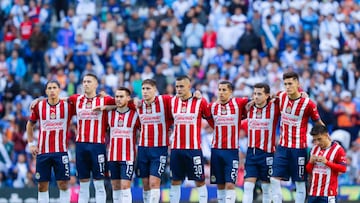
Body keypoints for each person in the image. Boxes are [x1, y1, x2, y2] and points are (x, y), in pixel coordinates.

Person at [270, 72, 325, 203]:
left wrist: (328, 140)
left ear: (298, 84)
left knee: (299, 183)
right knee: (273, 179)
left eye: (290, 84)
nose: (287, 87)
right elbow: (271, 97)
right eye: (285, 84)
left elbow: (319, 123)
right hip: (282, 147)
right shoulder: (281, 96)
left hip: (299, 149)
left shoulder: (308, 104)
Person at [68, 73, 114, 203]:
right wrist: (39, 101)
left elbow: (123, 103)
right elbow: (58, 100)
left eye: (89, 81)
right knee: (83, 184)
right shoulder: (77, 99)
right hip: (81, 146)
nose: (86, 84)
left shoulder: (103, 99)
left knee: (99, 184)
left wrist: (106, 106)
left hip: (97, 146)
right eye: (84, 82)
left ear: (96, 84)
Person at [26, 80, 74, 203]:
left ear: (59, 90)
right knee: (42, 186)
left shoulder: (68, 106)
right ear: (46, 91)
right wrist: (31, 144)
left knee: (63, 184)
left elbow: (81, 100)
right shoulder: (39, 106)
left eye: (54, 88)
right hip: (43, 152)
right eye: (49, 88)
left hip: (61, 152)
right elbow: (30, 124)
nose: (52, 90)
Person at [169, 75, 213, 203]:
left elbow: (210, 118)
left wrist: (200, 95)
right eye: (177, 86)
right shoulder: (172, 101)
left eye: (181, 86)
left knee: (199, 180)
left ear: (189, 86)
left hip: (193, 149)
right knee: (175, 180)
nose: (178, 89)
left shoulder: (200, 101)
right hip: (176, 149)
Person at [209, 81, 248, 203]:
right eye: (219, 89)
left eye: (224, 90)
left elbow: (255, 100)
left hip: (231, 152)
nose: (221, 92)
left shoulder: (238, 103)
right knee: (219, 185)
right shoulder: (212, 106)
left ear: (230, 92)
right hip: (216, 151)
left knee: (230, 184)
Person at [136, 79, 173, 203]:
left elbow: (180, 98)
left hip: (159, 149)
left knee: (154, 182)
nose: (145, 92)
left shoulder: (164, 100)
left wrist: (196, 95)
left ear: (155, 89)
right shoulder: (138, 104)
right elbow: (120, 102)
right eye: (143, 89)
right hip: (143, 149)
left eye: (148, 89)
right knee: (145, 183)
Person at [243, 83, 280, 203]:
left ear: (267, 95)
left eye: (259, 94)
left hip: (267, 153)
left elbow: (288, 96)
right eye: (254, 94)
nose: (256, 96)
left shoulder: (274, 107)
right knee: (248, 186)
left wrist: (275, 95)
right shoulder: (249, 107)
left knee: (266, 187)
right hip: (251, 153)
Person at [106, 87, 140, 202]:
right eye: (117, 97)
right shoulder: (109, 114)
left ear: (128, 98)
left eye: (121, 97)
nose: (118, 99)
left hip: (128, 157)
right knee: (115, 187)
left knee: (125, 187)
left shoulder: (135, 115)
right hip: (112, 156)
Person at [306, 124, 347, 203]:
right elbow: (309, 171)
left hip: (328, 194)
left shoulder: (338, 149)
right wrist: (310, 163)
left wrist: (327, 162)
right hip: (313, 193)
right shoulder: (314, 149)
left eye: (319, 139)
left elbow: (343, 169)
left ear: (326, 135)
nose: (317, 142)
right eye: (315, 140)